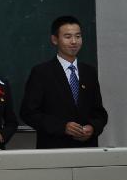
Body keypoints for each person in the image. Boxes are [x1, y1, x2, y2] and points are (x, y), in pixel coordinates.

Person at [20, 15, 108, 149]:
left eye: (78, 36)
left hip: (87, 149)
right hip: (54, 149)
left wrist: (92, 127)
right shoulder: (42, 72)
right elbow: (28, 113)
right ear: (55, 40)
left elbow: (99, 113)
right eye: (68, 37)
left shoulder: (89, 72)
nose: (74, 41)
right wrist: (62, 127)